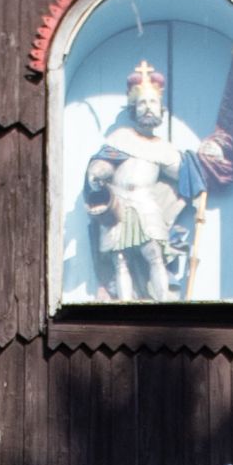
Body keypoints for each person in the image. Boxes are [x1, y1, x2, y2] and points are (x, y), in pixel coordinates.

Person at [81, 56, 218, 300]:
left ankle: (162, 301)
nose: (147, 107)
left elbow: (184, 173)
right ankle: (124, 303)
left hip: (146, 205)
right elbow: (104, 163)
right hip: (119, 204)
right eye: (142, 102)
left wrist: (206, 161)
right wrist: (97, 172)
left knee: (154, 254)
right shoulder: (121, 138)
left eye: (152, 102)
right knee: (120, 258)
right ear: (133, 108)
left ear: (160, 109)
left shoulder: (163, 149)